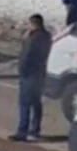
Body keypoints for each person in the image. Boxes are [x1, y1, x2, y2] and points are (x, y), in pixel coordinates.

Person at [11, 14, 53, 142]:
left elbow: (26, 56)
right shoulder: (47, 36)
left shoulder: (32, 38)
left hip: (29, 74)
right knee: (36, 102)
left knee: (24, 103)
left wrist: (21, 71)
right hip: (40, 73)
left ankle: (22, 132)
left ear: (33, 24)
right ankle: (35, 129)